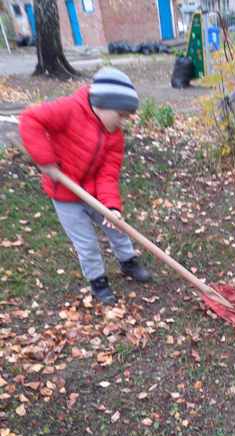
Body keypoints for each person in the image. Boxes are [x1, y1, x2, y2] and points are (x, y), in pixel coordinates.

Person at [19, 67, 151, 306]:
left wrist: (111, 206)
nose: (123, 122)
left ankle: (128, 262)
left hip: (95, 194)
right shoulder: (69, 109)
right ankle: (98, 281)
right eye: (120, 115)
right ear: (102, 105)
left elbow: (108, 173)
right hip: (64, 196)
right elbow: (30, 119)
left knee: (117, 228)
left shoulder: (115, 136)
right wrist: (46, 161)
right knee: (86, 243)